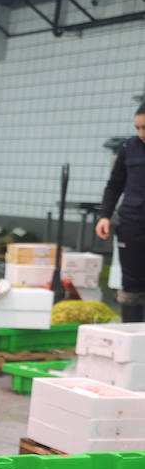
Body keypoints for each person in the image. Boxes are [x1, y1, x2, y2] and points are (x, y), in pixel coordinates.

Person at [96, 102, 145, 322]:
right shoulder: (128, 148)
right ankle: (131, 338)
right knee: (131, 283)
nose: (141, 133)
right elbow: (114, 185)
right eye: (137, 128)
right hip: (132, 224)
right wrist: (104, 215)